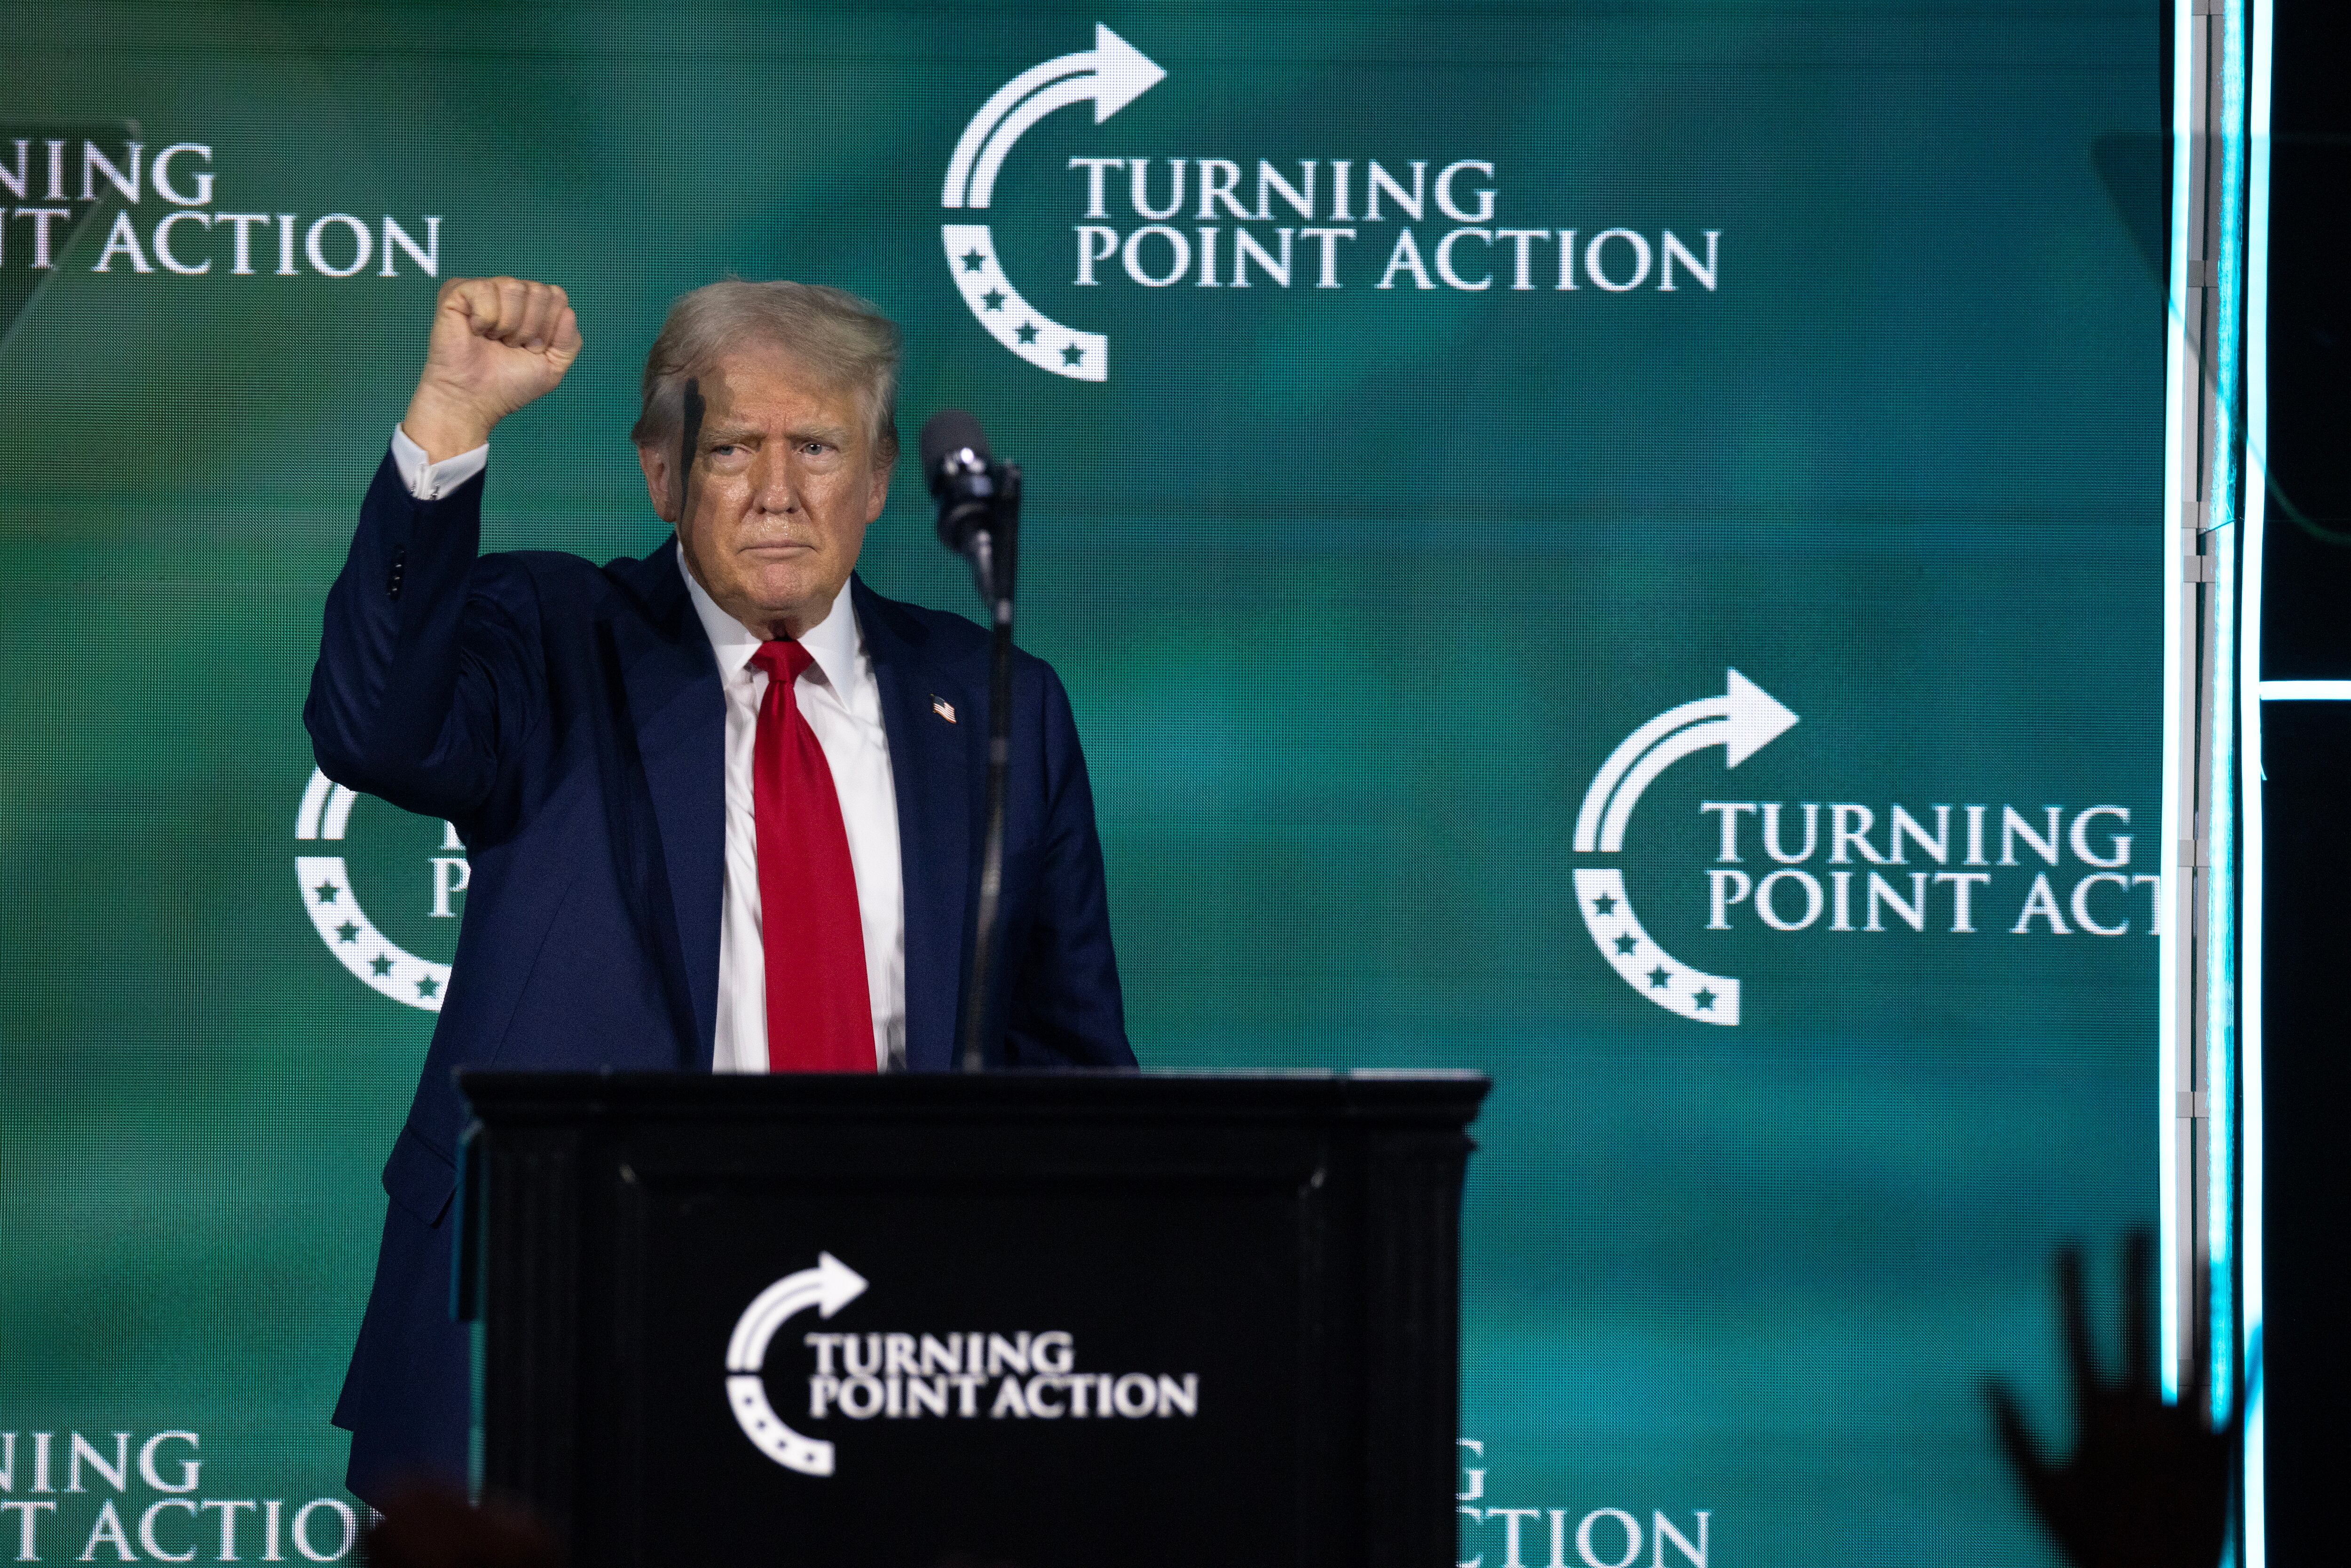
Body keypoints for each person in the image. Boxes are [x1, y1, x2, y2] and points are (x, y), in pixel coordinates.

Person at [309, 276, 1133, 1505]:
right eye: (734, 447)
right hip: (572, 1307)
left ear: (878, 478)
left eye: (819, 448)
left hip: (899, 1340)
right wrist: (450, 421)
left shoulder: (996, 699)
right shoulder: (553, 637)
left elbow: (1068, 1059)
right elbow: (374, 727)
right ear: (661, 472)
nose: (778, 491)